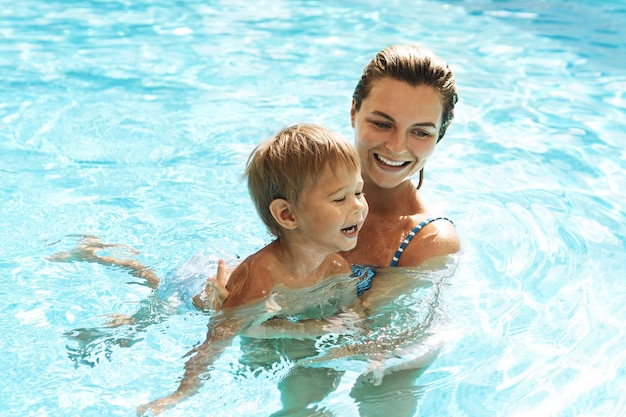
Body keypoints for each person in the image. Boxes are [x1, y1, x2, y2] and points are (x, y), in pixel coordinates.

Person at [137, 123, 370, 415]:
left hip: (245, 292)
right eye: (340, 198)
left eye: (359, 192)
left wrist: (369, 350)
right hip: (196, 289)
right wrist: (182, 392)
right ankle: (123, 262)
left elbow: (353, 314)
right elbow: (219, 335)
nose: (359, 207)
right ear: (287, 215)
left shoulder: (335, 266)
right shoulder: (262, 277)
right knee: (156, 289)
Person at [343, 44, 460, 271]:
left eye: (420, 132)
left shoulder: (430, 241)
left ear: (439, 136)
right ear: (354, 112)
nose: (396, 148)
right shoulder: (297, 183)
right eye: (382, 124)